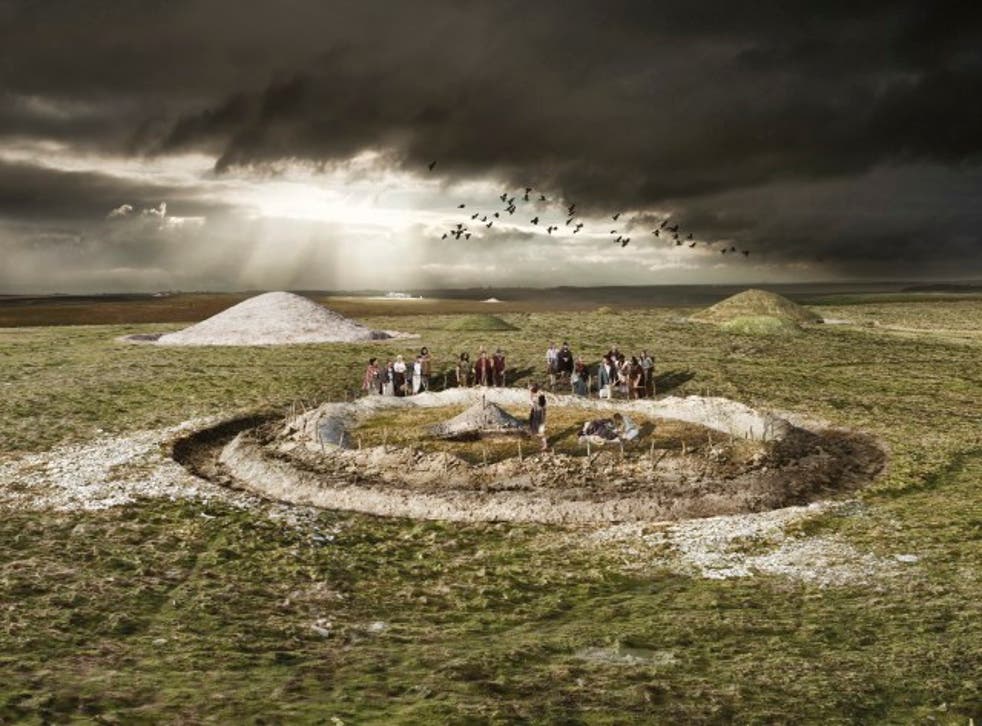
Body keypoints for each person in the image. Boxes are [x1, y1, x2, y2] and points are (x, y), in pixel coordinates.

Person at [529, 385, 548, 451]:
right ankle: (543, 444)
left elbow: (532, 400)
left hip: (538, 420)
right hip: (539, 420)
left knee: (540, 433)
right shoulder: (542, 405)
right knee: (539, 433)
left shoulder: (537, 405)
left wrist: (532, 393)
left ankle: (544, 445)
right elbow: (533, 399)